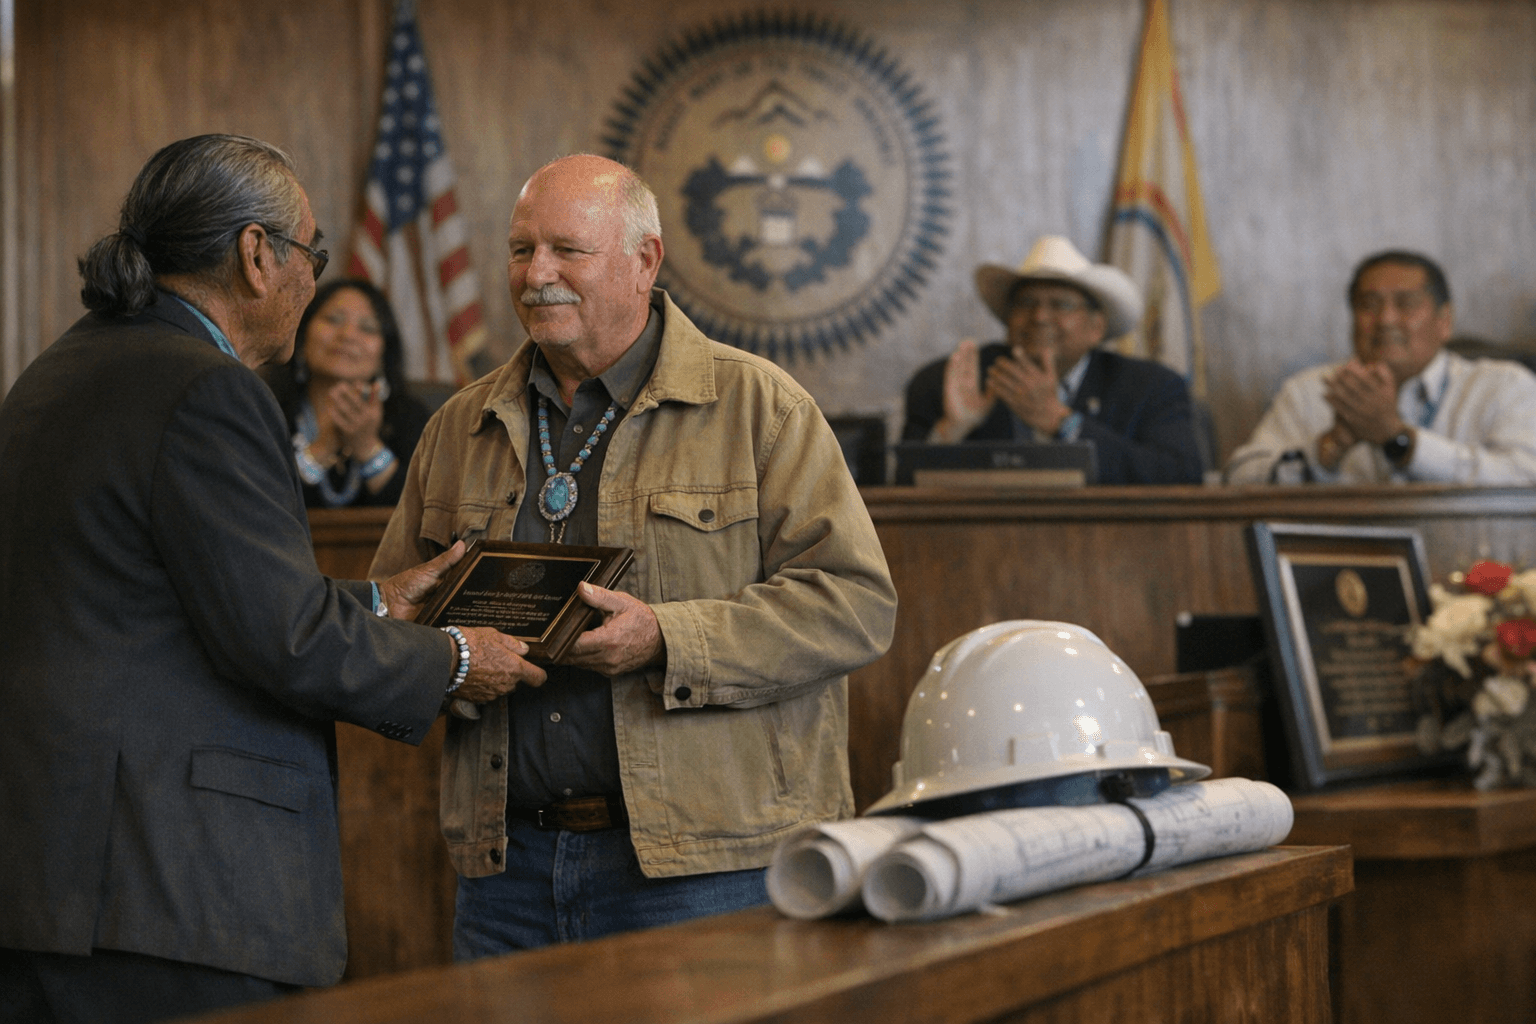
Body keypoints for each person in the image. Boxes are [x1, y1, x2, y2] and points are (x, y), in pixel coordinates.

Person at [0, 135, 543, 1024]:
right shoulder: (208, 388)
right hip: (167, 894)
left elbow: (176, 599)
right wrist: (450, 658)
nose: (313, 283)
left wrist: (377, 600)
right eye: (313, 256)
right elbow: (282, 640)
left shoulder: (58, 371)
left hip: (60, 885)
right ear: (258, 255)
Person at [368, 154, 897, 956]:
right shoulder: (457, 427)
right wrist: (449, 657)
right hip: (506, 870)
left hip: (708, 869)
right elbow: (391, 613)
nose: (536, 274)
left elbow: (856, 606)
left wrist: (667, 639)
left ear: (644, 260)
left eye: (565, 251)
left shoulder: (761, 407)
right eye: (519, 250)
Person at [902, 235, 1204, 485]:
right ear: (1008, 319)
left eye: (1060, 304)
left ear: (1096, 327)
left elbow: (1182, 475)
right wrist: (950, 431)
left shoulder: (1150, 386)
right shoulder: (949, 381)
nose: (1040, 317)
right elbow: (897, 488)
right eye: (1026, 303)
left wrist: (1061, 422)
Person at [1224, 250, 1536, 484]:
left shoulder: (1503, 385)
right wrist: (1329, 447)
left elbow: (1526, 474)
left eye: (1406, 304)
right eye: (1369, 306)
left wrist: (1398, 439)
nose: (1386, 320)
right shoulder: (1311, 390)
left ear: (1444, 321)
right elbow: (1237, 478)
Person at [265, 278, 432, 507]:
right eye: (333, 320)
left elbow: (429, 513)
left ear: (384, 355)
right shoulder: (265, 409)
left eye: (368, 328)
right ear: (301, 338)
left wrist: (367, 447)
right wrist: (321, 447)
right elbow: (253, 507)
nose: (348, 335)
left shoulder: (410, 418)